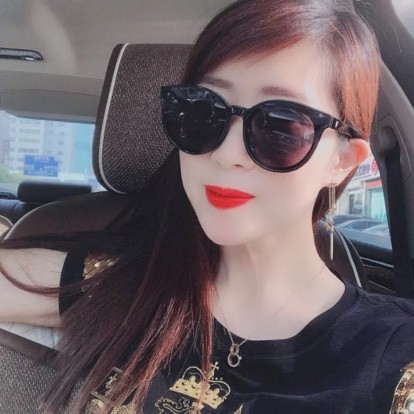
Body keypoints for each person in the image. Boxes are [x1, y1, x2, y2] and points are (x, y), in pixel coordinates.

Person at [0, 0, 413, 413]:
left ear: (342, 162)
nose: (227, 154)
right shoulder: (126, 288)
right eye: (201, 111)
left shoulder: (397, 359)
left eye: (280, 126)